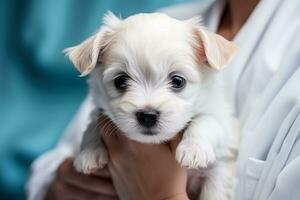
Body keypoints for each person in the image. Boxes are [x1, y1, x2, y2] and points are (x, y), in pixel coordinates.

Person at [27, 0, 300, 199]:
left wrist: (161, 195)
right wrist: (59, 185)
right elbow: (53, 169)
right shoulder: (158, 22)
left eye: (177, 82)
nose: (147, 106)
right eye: (122, 82)